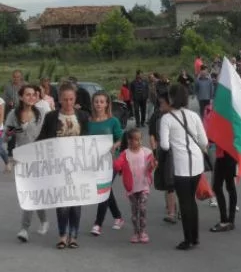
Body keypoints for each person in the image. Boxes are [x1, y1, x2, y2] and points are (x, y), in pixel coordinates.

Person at [37, 82, 90, 249]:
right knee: (61, 203)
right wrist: (26, 153)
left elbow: (88, 140)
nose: (68, 102)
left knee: (75, 203)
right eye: (65, 99)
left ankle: (73, 236)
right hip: (58, 167)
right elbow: (42, 138)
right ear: (59, 99)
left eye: (71, 99)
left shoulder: (82, 116)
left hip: (77, 166)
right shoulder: (51, 117)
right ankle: (62, 235)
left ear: (75, 99)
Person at [160, 84, 209, 250]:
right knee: (191, 201)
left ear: (171, 98)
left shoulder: (166, 119)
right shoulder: (194, 115)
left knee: (185, 201)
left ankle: (188, 239)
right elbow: (204, 142)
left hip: (181, 165)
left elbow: (165, 145)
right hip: (196, 163)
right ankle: (195, 237)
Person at [5, 85, 49, 242]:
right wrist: (10, 133)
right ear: (21, 97)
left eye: (34, 94)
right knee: (30, 194)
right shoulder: (13, 114)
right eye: (28, 94)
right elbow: (6, 136)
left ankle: (24, 228)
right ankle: (44, 220)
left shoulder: (42, 114)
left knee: (31, 193)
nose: (31, 97)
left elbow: (50, 134)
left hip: (40, 160)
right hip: (22, 160)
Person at [88, 91, 125, 236]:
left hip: (110, 161)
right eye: (96, 101)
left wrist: (116, 145)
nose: (99, 104)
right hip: (95, 162)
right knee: (106, 190)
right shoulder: (89, 121)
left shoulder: (113, 121)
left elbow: (121, 138)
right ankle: (118, 217)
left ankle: (98, 224)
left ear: (107, 104)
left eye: (101, 102)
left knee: (103, 190)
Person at [113, 128, 155, 243]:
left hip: (144, 185)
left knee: (142, 208)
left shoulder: (146, 152)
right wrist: (115, 160)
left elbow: (152, 165)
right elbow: (118, 165)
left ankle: (143, 231)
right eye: (134, 140)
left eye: (139, 139)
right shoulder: (125, 153)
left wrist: (153, 164)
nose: (137, 142)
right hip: (131, 187)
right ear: (129, 141)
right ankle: (136, 232)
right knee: (134, 211)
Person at [149, 94, 178, 223]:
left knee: (173, 183)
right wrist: (155, 152)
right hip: (167, 153)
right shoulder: (157, 116)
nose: (160, 105)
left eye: (162, 103)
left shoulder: (172, 118)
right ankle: (171, 210)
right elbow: (153, 135)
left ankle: (174, 211)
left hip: (172, 153)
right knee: (170, 183)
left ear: (170, 103)